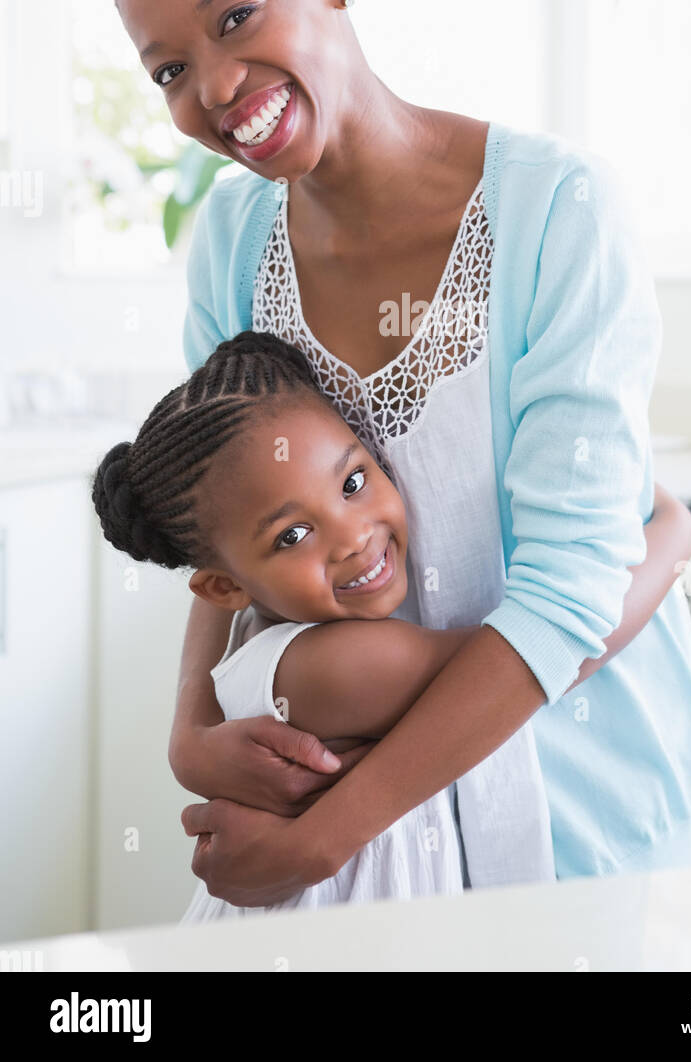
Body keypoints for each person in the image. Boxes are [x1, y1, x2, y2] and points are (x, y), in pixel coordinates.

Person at [110, 0, 691, 907]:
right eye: (171, 68)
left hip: (574, 810)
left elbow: (568, 593)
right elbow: (215, 516)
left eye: (236, 17)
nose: (212, 88)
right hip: (370, 851)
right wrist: (190, 732)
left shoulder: (553, 212)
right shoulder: (229, 239)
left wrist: (319, 838)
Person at [91, 329, 564, 918]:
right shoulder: (344, 667)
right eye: (292, 535)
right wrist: (670, 533)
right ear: (225, 587)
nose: (355, 537)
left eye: (352, 483)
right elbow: (541, 649)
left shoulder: (258, 632)